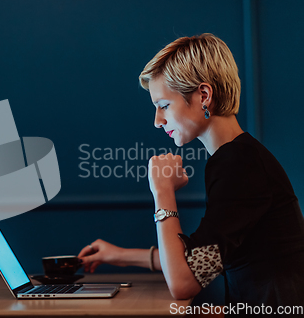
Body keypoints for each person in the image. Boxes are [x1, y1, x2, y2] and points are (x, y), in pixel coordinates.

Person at [78, 33, 304, 309]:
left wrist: (162, 192)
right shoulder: (238, 157)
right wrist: (121, 255)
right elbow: (201, 258)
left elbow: (184, 281)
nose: (157, 121)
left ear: (204, 95)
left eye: (163, 106)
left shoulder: (240, 166)